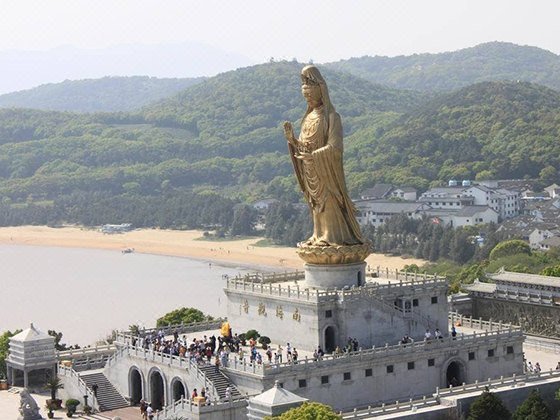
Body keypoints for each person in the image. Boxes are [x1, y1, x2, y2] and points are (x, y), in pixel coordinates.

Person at [283, 65, 365, 247]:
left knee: (328, 202)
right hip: (310, 170)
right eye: (306, 97)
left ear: (321, 91)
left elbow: (335, 147)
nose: (309, 99)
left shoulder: (332, 117)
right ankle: (318, 234)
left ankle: (332, 236)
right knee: (315, 204)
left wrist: (314, 156)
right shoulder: (308, 118)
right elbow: (304, 145)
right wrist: (292, 141)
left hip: (326, 170)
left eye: (311, 95)